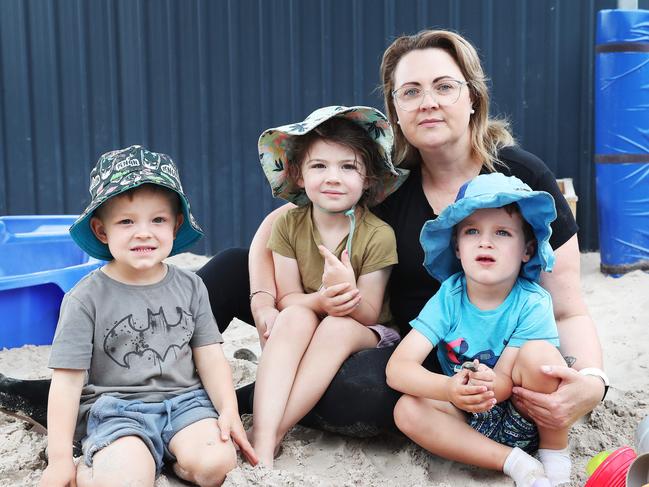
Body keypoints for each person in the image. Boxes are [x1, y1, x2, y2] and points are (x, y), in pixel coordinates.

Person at [0, 28, 606, 449]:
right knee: (235, 263)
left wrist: (592, 381)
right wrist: (266, 300)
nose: (428, 102)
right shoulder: (385, 180)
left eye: (444, 86)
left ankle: (214, 406)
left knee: (361, 396)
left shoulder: (520, 176)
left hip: (418, 352)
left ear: (472, 96)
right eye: (410, 91)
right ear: (393, 109)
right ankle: (95, 381)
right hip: (337, 316)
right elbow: (287, 222)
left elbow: (568, 304)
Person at [39, 146, 256, 487]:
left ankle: (175, 463)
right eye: (126, 221)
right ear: (101, 231)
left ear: (176, 225)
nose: (144, 232)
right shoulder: (85, 298)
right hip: (116, 411)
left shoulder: (191, 287)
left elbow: (211, 357)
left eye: (158, 220)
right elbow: (67, 382)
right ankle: (103, 469)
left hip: (187, 404)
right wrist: (60, 459)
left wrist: (228, 409)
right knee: (126, 479)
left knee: (217, 464)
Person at [387, 173, 570, 487]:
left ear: (526, 250)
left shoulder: (531, 302)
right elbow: (397, 369)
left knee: (541, 355)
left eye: (502, 232)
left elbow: (502, 385)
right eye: (472, 231)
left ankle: (555, 454)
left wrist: (477, 386)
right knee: (406, 409)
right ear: (457, 247)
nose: (485, 241)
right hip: (466, 414)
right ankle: (511, 461)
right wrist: (448, 390)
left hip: (524, 412)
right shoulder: (449, 297)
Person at [250, 105, 408, 465]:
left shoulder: (378, 235)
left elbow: (368, 313)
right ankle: (264, 433)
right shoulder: (289, 225)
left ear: (368, 178)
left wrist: (346, 290)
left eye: (348, 166)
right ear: (299, 175)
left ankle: (271, 433)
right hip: (311, 320)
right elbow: (287, 297)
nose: (333, 177)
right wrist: (320, 300)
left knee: (336, 327)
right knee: (292, 318)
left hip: (367, 332)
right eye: (319, 166)